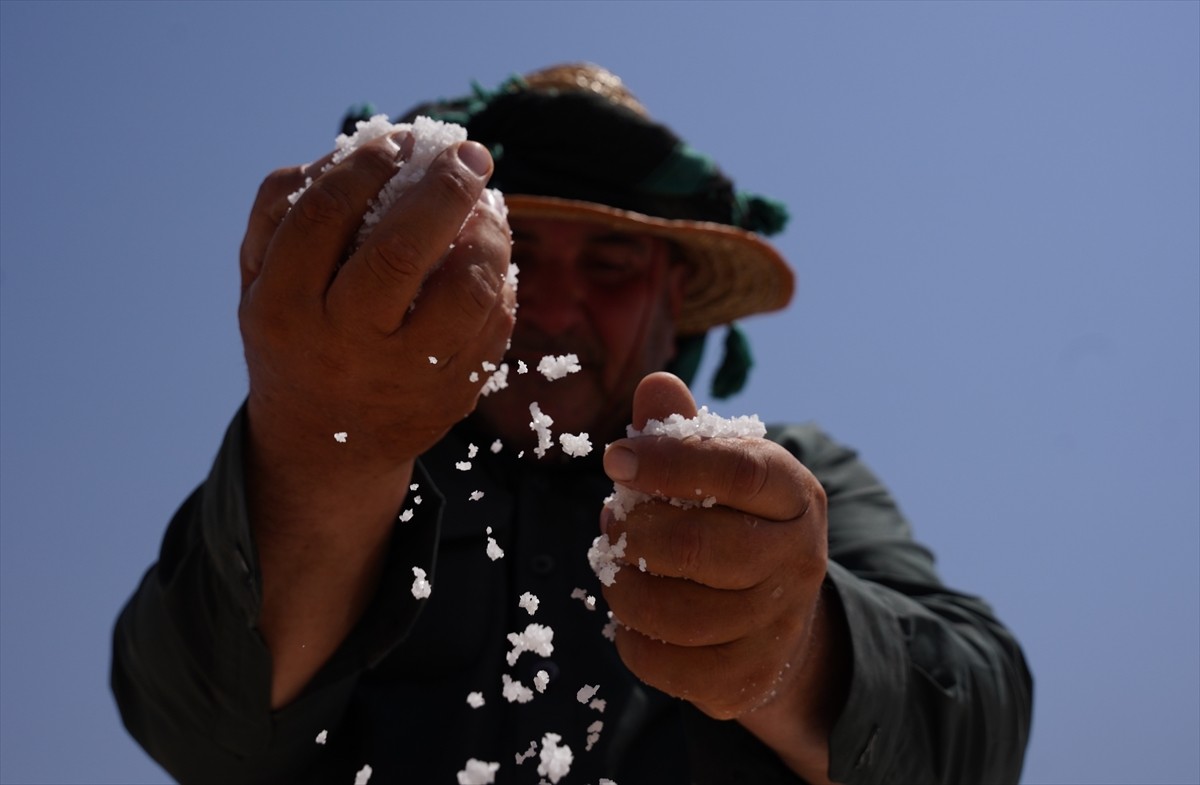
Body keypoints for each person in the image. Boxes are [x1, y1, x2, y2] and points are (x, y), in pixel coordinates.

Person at [111, 63, 1032, 784]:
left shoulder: (797, 472)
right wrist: (324, 447)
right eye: (518, 249)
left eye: (612, 259)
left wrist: (794, 645)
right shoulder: (341, 443)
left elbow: (976, 736)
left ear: (676, 295)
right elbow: (198, 731)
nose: (552, 303)